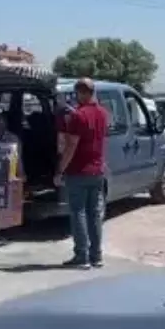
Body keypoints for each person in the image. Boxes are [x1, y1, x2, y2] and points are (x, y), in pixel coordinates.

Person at [55, 78, 108, 269]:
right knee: (94, 214)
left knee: (78, 213)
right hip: (98, 170)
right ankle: (97, 255)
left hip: (78, 171)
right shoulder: (103, 113)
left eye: (77, 94)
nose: (75, 98)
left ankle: (81, 256)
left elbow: (71, 146)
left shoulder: (78, 116)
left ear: (82, 93)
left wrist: (60, 169)